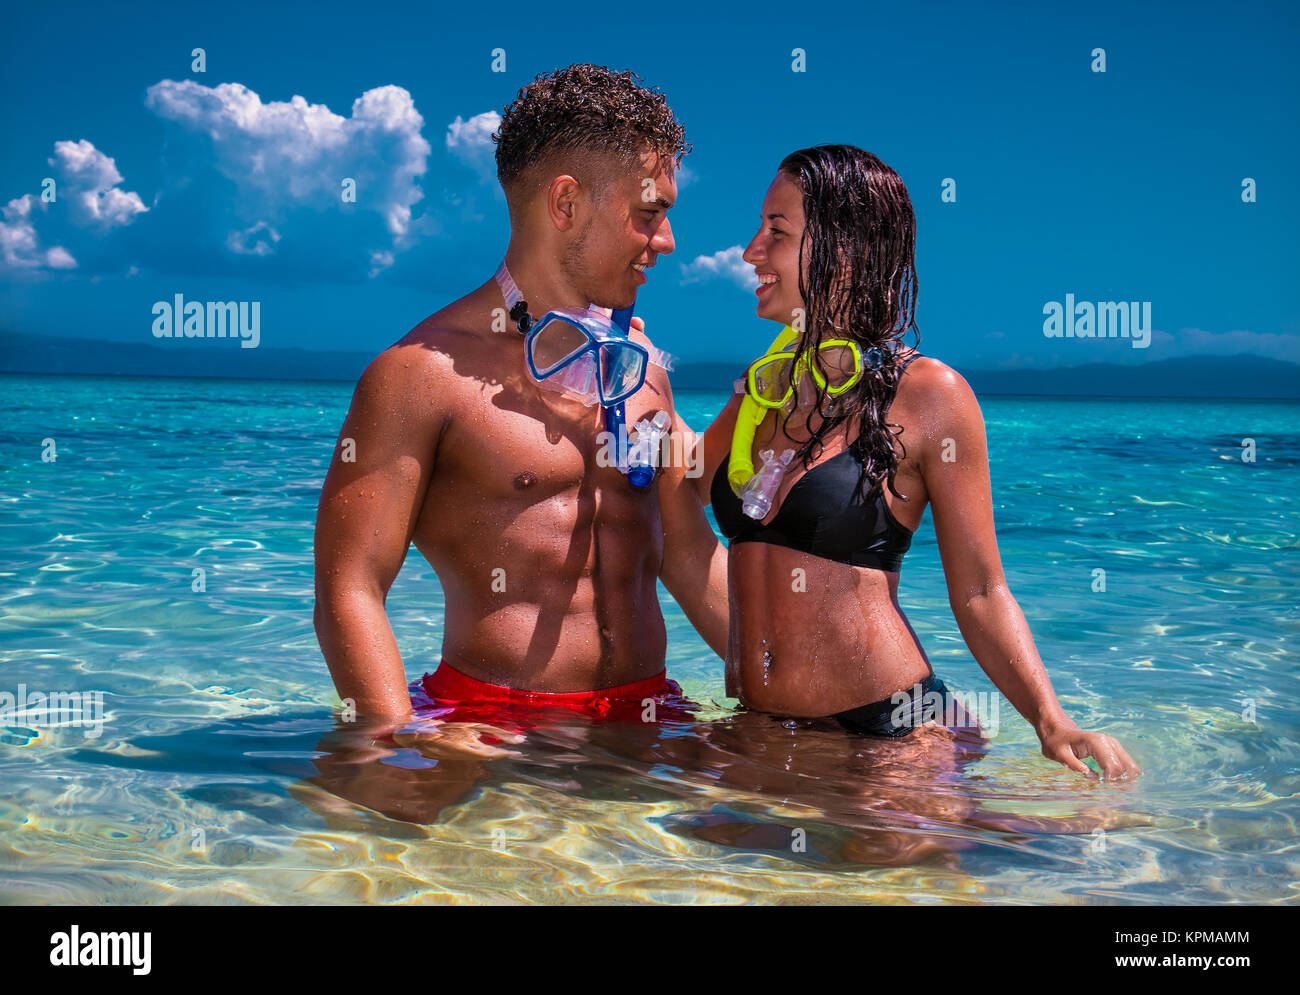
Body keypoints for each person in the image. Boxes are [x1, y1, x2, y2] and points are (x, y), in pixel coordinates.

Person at [694, 145, 1141, 780]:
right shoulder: (762, 387)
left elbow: (983, 589)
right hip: (763, 729)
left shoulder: (930, 395)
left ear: (842, 252)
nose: (749, 252)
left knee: (943, 877)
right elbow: (672, 483)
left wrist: (1051, 720)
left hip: (888, 732)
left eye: (777, 231)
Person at [313, 65, 727, 733]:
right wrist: (394, 751)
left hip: (648, 718)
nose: (667, 242)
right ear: (566, 204)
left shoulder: (645, 367)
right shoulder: (416, 375)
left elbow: (687, 541)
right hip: (490, 727)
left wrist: (800, 694)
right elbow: (349, 587)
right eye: (648, 213)